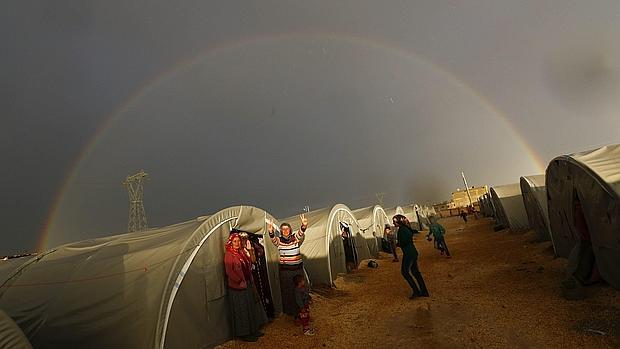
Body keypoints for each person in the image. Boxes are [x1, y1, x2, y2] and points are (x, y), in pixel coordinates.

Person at [224, 232, 268, 342]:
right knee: (242, 310)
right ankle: (244, 333)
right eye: (235, 241)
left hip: (247, 283)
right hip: (238, 287)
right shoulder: (229, 255)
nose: (237, 243)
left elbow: (250, 263)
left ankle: (253, 330)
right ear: (231, 242)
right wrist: (239, 281)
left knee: (250, 307)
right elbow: (229, 272)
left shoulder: (241, 252)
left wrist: (250, 251)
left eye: (238, 241)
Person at [267, 214, 309, 316]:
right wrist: (270, 231)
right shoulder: (279, 241)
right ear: (281, 231)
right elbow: (273, 239)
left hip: (297, 270)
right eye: (283, 229)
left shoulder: (295, 238)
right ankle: (293, 314)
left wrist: (303, 225)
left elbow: (301, 232)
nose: (285, 231)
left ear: (290, 230)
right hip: (286, 272)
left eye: (287, 229)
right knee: (289, 292)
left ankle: (303, 312)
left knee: (300, 291)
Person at [393, 214, 429, 299]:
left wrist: (398, 244)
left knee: (405, 272)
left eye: (394, 221)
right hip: (413, 252)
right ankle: (424, 291)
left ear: (399, 221)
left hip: (408, 254)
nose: (393, 223)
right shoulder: (406, 228)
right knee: (415, 272)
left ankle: (416, 291)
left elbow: (404, 242)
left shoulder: (402, 230)